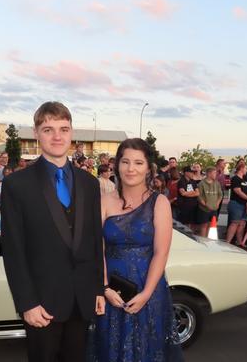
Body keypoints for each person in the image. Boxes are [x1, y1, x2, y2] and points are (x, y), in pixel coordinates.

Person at [0, 102, 105, 362]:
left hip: (82, 300)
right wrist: (26, 303)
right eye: (48, 129)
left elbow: (94, 242)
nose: (57, 136)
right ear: (36, 133)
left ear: (71, 133)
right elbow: (14, 250)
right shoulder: (17, 184)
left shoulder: (89, 183)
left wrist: (98, 289)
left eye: (63, 129)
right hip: (41, 303)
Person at [92, 138, 183, 362]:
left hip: (147, 287)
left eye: (138, 163)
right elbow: (96, 248)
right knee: (110, 348)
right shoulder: (103, 201)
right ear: (116, 165)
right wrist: (104, 288)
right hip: (111, 290)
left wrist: (146, 294)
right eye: (125, 162)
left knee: (147, 349)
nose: (131, 169)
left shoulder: (159, 202)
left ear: (148, 168)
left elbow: (161, 252)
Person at [226, 164, 247, 245]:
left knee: (242, 223)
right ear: (241, 169)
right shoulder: (235, 178)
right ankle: (228, 242)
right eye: (246, 168)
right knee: (235, 223)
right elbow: (237, 191)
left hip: (245, 205)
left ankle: (240, 242)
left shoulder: (245, 178)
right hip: (236, 203)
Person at [197, 167, 222, 237]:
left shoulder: (217, 183)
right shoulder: (201, 183)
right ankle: (203, 241)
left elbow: (220, 195)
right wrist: (205, 204)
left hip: (214, 209)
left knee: (211, 225)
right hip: (204, 209)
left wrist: (217, 203)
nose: (215, 174)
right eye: (214, 173)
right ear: (209, 173)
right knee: (204, 225)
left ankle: (209, 241)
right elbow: (199, 196)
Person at [176, 167, 199, 231]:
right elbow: (183, 193)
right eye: (191, 172)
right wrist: (193, 192)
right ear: (186, 173)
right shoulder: (181, 181)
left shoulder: (193, 181)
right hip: (184, 206)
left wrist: (188, 193)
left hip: (193, 206)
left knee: (192, 223)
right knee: (184, 224)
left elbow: (197, 193)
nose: (193, 174)